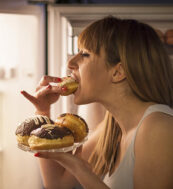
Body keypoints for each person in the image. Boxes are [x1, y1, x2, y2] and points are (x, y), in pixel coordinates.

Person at [20, 16, 173, 189]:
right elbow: (57, 185)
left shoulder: (158, 129)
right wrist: (43, 111)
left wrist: (81, 171)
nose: (70, 63)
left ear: (118, 72)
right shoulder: (111, 128)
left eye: (84, 54)